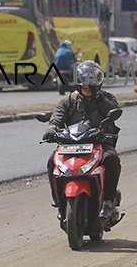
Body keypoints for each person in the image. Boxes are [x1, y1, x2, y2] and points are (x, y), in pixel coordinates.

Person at [42, 60, 121, 218]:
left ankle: (107, 201)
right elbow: (57, 117)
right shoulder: (69, 100)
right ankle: (59, 201)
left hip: (99, 142)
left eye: (89, 85)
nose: (86, 89)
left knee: (112, 158)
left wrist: (99, 99)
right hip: (71, 144)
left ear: (97, 84)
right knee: (52, 160)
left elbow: (113, 111)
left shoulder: (107, 98)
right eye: (83, 85)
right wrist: (51, 129)